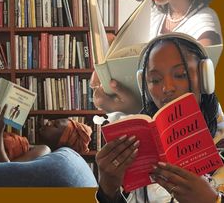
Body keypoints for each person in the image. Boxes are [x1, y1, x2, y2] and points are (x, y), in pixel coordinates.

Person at [90, 0, 223, 113]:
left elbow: (197, 94)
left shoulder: (204, 21)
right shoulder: (157, 13)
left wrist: (137, 108)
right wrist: (107, 71)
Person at [95, 34, 224, 203]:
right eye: (154, 80)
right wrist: (108, 191)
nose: (166, 88)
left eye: (180, 74)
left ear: (205, 77)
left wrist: (212, 200)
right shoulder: (139, 146)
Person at [0, 104, 92, 163]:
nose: (48, 122)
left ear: (62, 140)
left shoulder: (44, 150)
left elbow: (6, 170)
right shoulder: (31, 147)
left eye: (55, 125)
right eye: (52, 120)